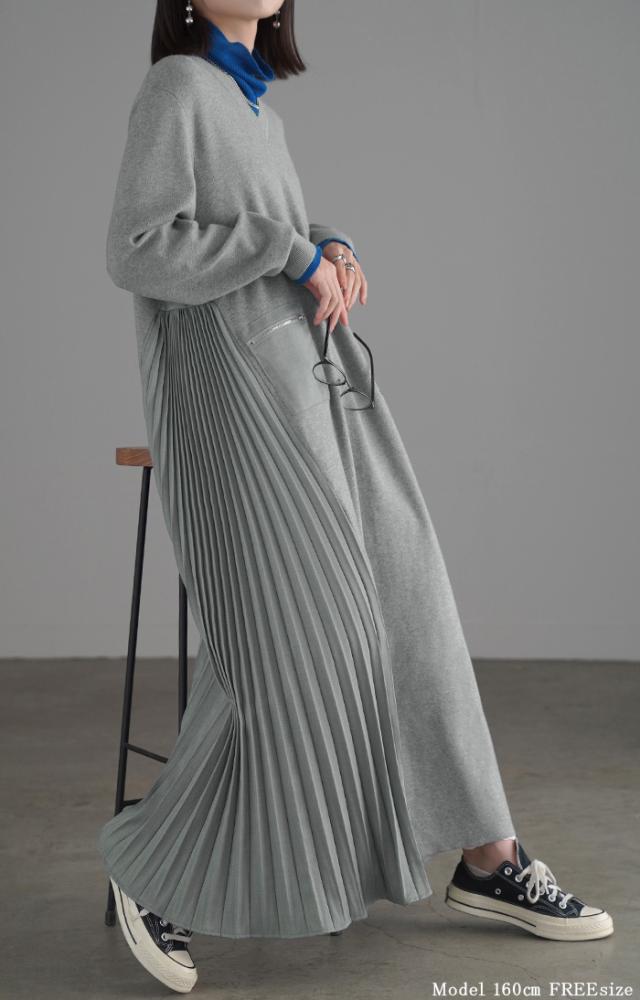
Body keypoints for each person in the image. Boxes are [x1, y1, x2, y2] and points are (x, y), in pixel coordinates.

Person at [97, 2, 613, 992]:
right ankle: (154, 869)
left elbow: (265, 230)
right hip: (241, 411)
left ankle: (489, 854)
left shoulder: (256, 108)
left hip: (314, 389)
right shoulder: (178, 88)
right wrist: (286, 251)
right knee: (293, 638)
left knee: (413, 598)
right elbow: (137, 248)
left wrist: (326, 243)